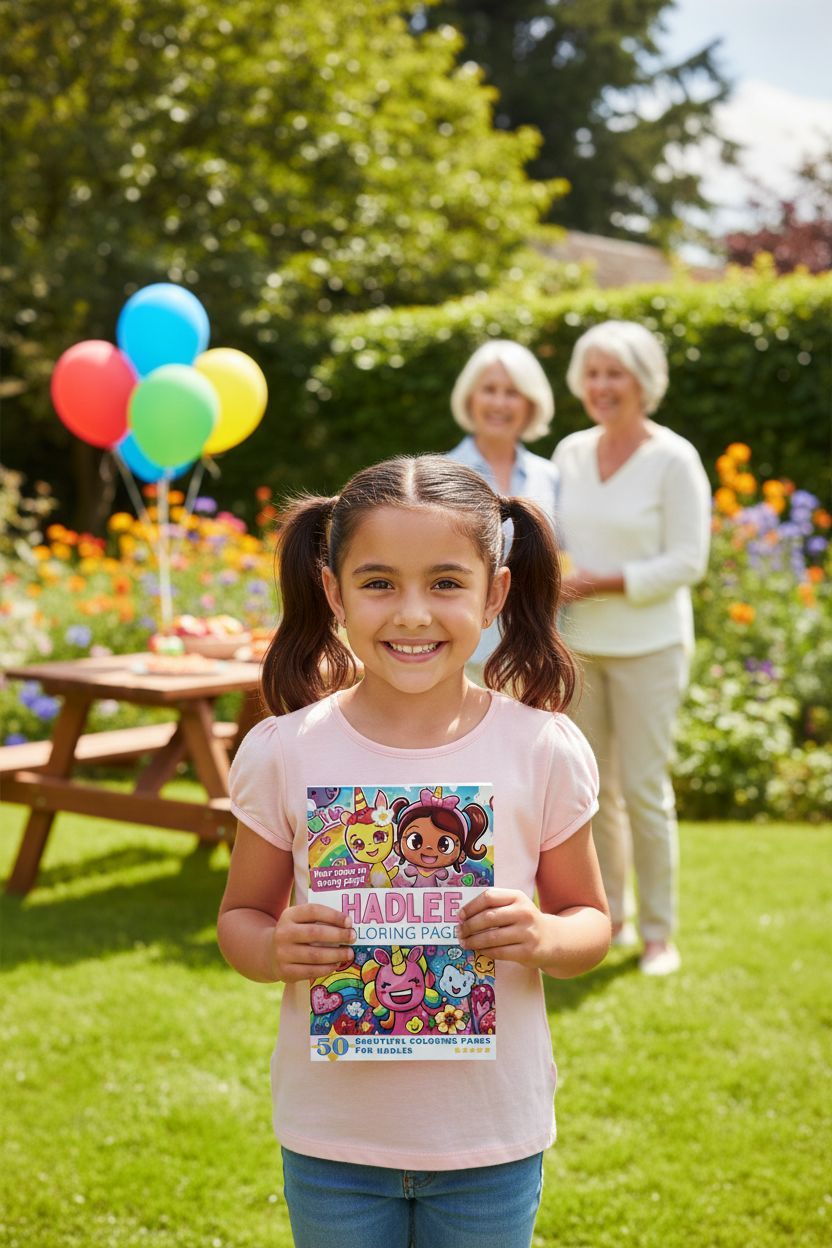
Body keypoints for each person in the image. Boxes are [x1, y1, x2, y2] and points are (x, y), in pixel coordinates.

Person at [217, 454, 610, 1248]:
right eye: (378, 582)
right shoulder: (284, 751)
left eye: (444, 582)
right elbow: (240, 918)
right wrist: (274, 947)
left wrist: (541, 934)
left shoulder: (542, 749)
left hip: (489, 1139)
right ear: (332, 591)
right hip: (333, 1141)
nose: (411, 613)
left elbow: (590, 922)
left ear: (494, 592)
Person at [551, 320, 711, 977]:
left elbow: (688, 561)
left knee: (644, 788)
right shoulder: (569, 453)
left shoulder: (673, 458)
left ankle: (658, 935)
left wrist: (601, 583)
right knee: (593, 791)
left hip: (651, 644)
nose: (601, 386)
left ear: (644, 381)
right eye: (592, 373)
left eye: (615, 373)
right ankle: (608, 917)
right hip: (580, 644)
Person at [446, 340, 559, 666]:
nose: (499, 402)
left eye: (512, 392)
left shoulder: (549, 474)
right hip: (467, 657)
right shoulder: (442, 476)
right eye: (489, 390)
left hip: (536, 655)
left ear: (531, 404)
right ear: (470, 398)